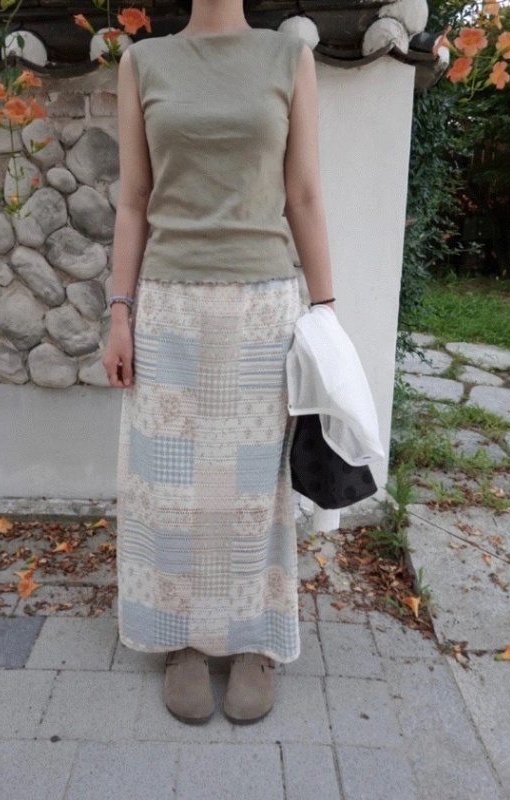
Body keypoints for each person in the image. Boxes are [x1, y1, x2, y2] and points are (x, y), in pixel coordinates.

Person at [102, 0, 335, 725]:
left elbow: (303, 195)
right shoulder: (143, 63)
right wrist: (119, 313)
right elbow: (134, 201)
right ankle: (183, 641)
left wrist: (326, 311)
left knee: (254, 494)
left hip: (264, 311)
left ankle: (256, 639)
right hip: (168, 309)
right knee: (170, 494)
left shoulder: (288, 57)